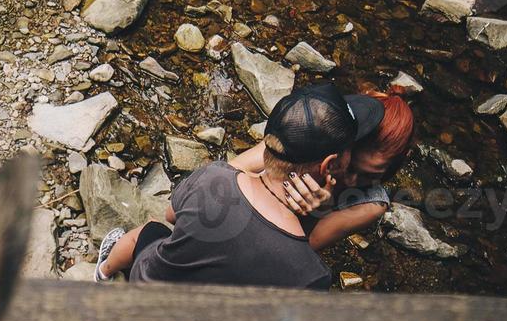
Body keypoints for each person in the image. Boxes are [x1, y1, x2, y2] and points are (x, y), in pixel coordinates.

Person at [94, 83, 383, 289]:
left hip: (151, 289)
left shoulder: (213, 178)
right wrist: (315, 215)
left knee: (149, 231)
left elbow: (172, 215)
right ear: (329, 164)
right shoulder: (312, 273)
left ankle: (104, 272)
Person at [265, 90, 416, 251]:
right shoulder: (317, 132)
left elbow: (301, 251)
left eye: (369, 176)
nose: (351, 181)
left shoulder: (371, 204)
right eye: (350, 166)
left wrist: (317, 211)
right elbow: (239, 168)